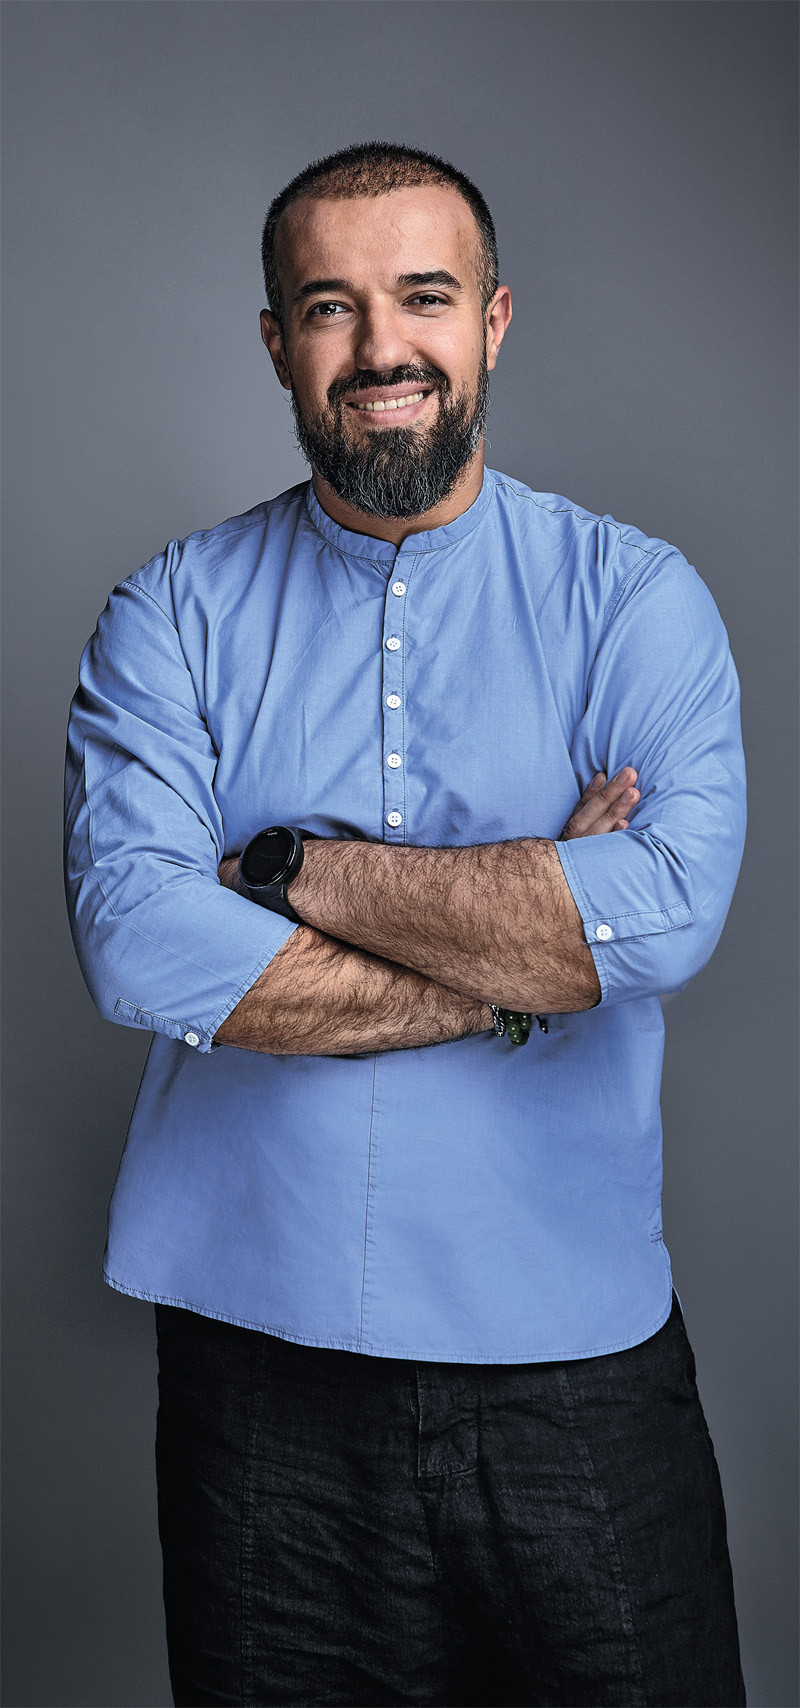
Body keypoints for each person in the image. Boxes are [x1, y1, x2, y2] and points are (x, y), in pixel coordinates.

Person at [64, 142, 747, 1707]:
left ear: (492, 320)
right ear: (276, 343)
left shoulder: (634, 600)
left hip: (579, 1369)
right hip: (261, 1384)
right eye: (331, 307)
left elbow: (662, 914)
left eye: (423, 297)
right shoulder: (169, 615)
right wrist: (516, 969)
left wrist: (290, 869)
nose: (382, 347)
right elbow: (140, 946)